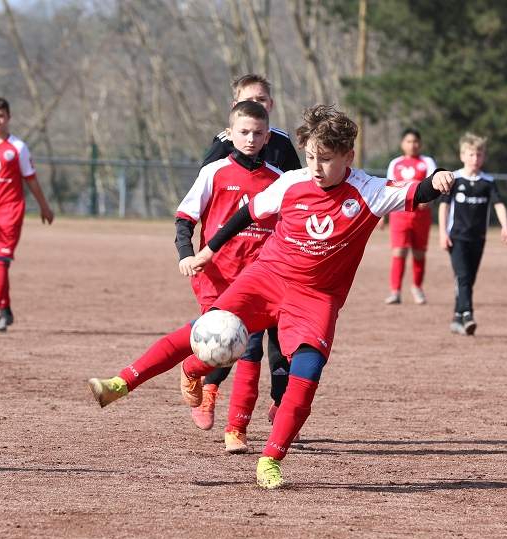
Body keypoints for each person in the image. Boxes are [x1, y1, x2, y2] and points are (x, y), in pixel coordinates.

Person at [88, 105, 455, 489]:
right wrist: (210, 250)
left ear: (348, 157)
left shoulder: (369, 191)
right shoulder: (291, 182)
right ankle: (120, 383)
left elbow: (419, 191)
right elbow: (246, 214)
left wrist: (440, 179)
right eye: (311, 156)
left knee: (307, 373)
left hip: (316, 298)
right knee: (202, 328)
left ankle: (271, 458)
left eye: (326, 159)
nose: (315, 166)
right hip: (266, 279)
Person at [198, 74, 301, 428]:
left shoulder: (282, 143)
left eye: (263, 99)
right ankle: (210, 390)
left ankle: (279, 403)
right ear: (235, 108)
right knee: (233, 335)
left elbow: (300, 190)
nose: (258, 103)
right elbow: (208, 190)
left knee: (280, 337)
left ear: (270, 107)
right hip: (231, 260)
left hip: (275, 255)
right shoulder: (222, 145)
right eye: (250, 99)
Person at [175, 101, 282, 435]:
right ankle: (198, 376)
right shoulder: (214, 171)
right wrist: (185, 254)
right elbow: (184, 218)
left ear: (268, 137)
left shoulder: (279, 180)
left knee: (251, 348)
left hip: (262, 280)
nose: (250, 139)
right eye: (244, 132)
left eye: (258, 133)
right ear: (230, 133)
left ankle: (237, 430)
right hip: (218, 279)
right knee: (226, 347)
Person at [0, 96, 53, 332]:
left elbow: (31, 179)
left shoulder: (17, 147)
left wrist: (44, 206)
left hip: (10, 213)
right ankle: (6, 312)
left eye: (1, 115)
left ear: (9, 118)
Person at [438, 132, 507, 335]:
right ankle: (468, 314)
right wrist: (442, 233)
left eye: (479, 154)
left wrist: (505, 227)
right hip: (457, 238)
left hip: (478, 239)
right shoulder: (454, 179)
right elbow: (444, 207)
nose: (475, 158)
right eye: (471, 154)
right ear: (462, 156)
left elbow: (499, 205)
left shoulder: (487, 181)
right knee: (463, 277)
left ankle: (457, 316)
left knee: (468, 279)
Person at [384, 129, 438, 305]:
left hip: (421, 216)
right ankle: (395, 291)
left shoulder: (427, 162)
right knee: (399, 251)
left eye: (415, 141)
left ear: (420, 144)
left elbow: (435, 185)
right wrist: (381, 215)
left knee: (419, 253)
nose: (412, 145)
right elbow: (387, 189)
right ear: (402, 144)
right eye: (408, 141)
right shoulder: (395, 164)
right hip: (399, 215)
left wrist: (428, 200)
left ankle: (417, 288)